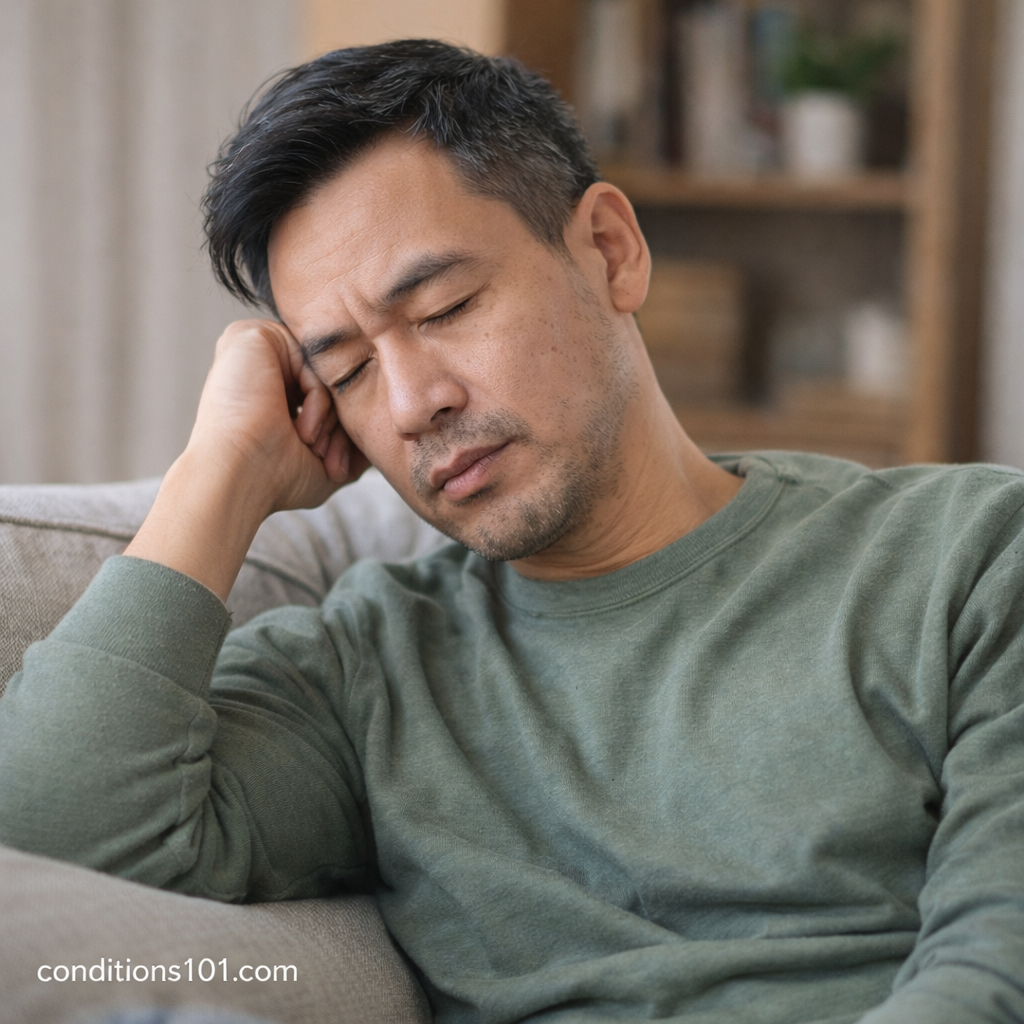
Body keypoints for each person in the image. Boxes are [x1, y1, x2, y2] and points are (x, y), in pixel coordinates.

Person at [0, 40, 1021, 1024]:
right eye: (347, 368)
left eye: (443, 306)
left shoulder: (965, 559)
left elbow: (995, 972)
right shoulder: (367, 671)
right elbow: (48, 830)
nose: (409, 403)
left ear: (609, 253)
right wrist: (215, 476)